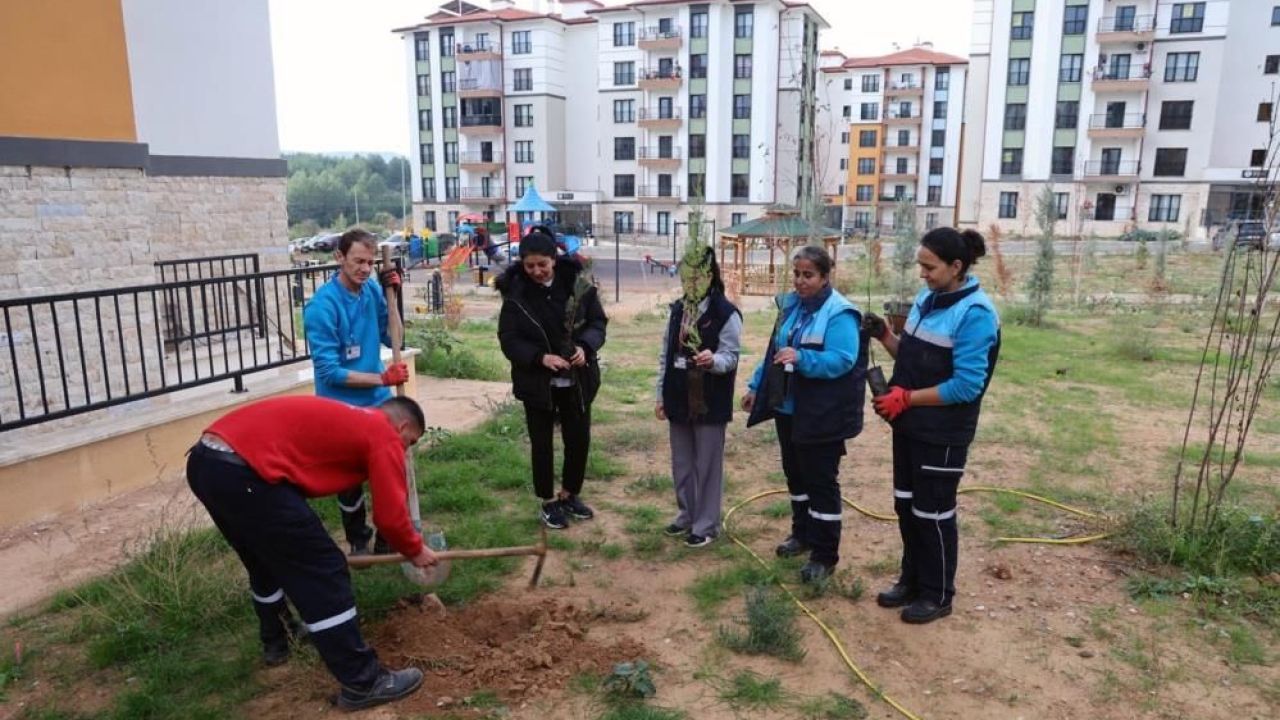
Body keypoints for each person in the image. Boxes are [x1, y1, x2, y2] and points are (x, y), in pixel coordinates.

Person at [186, 395, 436, 710]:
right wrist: (415, 549)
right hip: (246, 473)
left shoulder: (354, 420)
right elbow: (389, 517)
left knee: (263, 560)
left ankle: (279, 639)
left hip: (207, 462)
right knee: (324, 569)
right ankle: (363, 682)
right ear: (402, 426)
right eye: (409, 442)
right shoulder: (383, 432)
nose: (405, 451)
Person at [863, 226, 1001, 624]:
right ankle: (911, 580)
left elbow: (967, 385)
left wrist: (906, 397)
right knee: (906, 505)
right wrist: (885, 335)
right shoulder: (928, 299)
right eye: (920, 266)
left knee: (933, 512)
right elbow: (912, 356)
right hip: (909, 427)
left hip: (943, 433)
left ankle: (938, 593)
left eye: (930, 267)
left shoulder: (975, 314)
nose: (922, 274)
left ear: (956, 267)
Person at [742, 245, 867, 583]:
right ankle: (802, 534)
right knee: (795, 474)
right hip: (788, 408)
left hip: (821, 413)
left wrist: (803, 359)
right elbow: (775, 351)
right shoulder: (791, 307)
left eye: (808, 275)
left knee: (820, 481)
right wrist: (756, 387)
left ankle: (824, 555)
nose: (800, 281)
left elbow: (843, 360)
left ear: (825, 276)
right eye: (796, 274)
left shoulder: (840, 313)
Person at [303, 228, 409, 556]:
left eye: (369, 262)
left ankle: (389, 536)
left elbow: (395, 339)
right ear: (339, 257)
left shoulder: (373, 290)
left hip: (378, 401)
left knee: (388, 469)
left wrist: (393, 297)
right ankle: (358, 539)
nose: (364, 269)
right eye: (358, 261)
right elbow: (329, 372)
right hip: (339, 406)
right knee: (349, 478)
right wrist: (382, 379)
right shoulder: (322, 307)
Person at [496, 226, 608, 530]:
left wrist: (585, 347)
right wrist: (540, 358)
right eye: (529, 265)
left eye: (542, 264)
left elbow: (598, 323)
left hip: (577, 380)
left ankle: (570, 494)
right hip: (537, 383)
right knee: (542, 444)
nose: (536, 271)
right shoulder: (516, 296)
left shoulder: (579, 288)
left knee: (578, 439)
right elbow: (509, 339)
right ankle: (547, 501)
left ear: (554, 260)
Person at [655, 244, 742, 548]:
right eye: (685, 277)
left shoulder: (726, 313)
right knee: (682, 462)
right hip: (678, 395)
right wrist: (660, 394)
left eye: (696, 277)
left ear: (710, 275)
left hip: (709, 399)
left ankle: (706, 524)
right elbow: (665, 356)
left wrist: (713, 360)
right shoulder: (678, 310)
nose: (690, 284)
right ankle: (686, 514)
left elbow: (731, 356)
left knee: (707, 463)